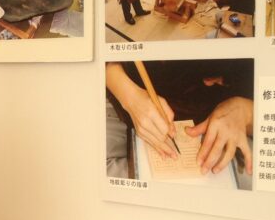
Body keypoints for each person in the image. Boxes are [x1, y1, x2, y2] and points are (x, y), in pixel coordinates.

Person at [105, 60, 254, 175]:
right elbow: (100, 53)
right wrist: (127, 93)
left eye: (220, 80)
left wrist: (247, 110)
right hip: (125, 95)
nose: (208, 82)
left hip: (219, 125)